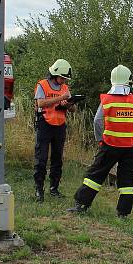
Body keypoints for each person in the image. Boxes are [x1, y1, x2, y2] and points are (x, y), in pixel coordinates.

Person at [68, 65, 133, 217]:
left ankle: (82, 204)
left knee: (95, 176)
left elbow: (97, 121)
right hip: (130, 147)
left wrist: (100, 139)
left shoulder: (107, 100)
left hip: (109, 145)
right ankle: (123, 214)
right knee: (127, 181)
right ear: (129, 82)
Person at [33, 59, 74, 202]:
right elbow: (41, 103)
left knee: (57, 159)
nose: (63, 81)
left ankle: (54, 188)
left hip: (60, 126)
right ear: (54, 74)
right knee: (41, 158)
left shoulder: (65, 88)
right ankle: (39, 189)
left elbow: (72, 108)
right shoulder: (42, 85)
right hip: (45, 124)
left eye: (65, 78)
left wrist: (68, 104)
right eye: (62, 77)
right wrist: (60, 98)